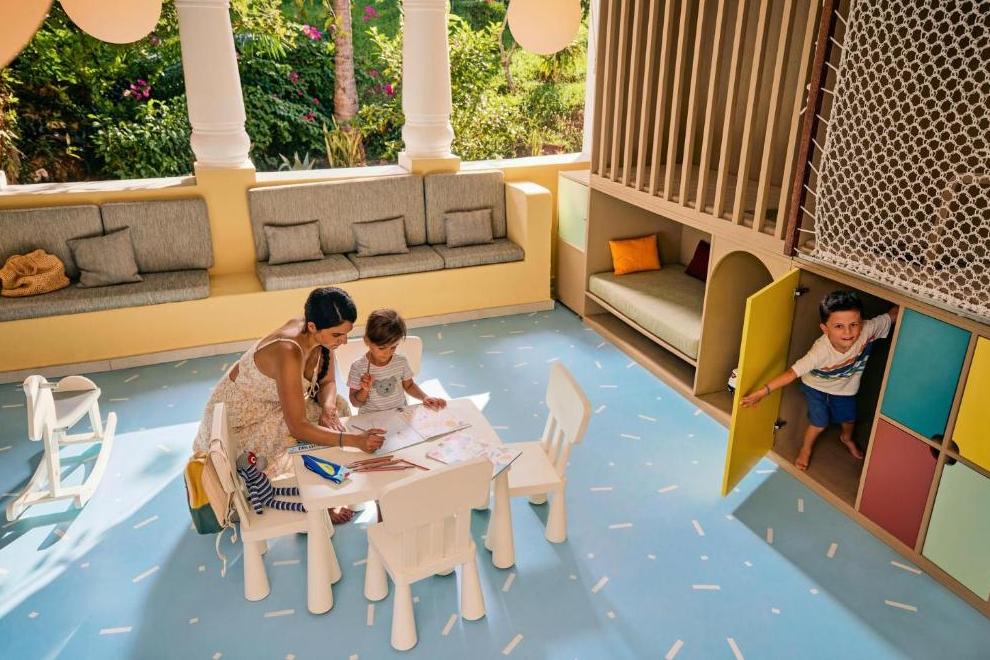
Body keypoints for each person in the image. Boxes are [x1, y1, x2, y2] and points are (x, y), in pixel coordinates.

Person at [192, 287, 384, 524]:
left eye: (346, 334)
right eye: (337, 335)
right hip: (242, 421)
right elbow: (298, 427)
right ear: (312, 327)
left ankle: (338, 486)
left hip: (272, 404)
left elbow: (327, 382)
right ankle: (317, 499)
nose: (344, 341)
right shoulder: (289, 351)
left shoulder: (319, 333)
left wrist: (327, 407)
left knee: (338, 408)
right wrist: (355, 441)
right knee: (304, 435)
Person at [741, 290, 898, 471]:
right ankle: (806, 449)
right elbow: (791, 373)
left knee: (849, 419)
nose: (848, 332)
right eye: (839, 326)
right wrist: (761, 393)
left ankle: (846, 438)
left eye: (854, 324)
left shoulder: (868, 329)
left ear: (861, 322)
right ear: (825, 329)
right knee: (819, 423)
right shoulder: (820, 351)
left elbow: (891, 316)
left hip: (845, 388)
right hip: (815, 387)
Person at [348, 309, 446, 414]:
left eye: (393, 347)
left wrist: (425, 397)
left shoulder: (401, 362)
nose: (387, 353)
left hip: (399, 414)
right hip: (371, 418)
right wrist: (364, 390)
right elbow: (355, 403)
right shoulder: (357, 367)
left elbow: (409, 386)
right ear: (367, 341)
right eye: (382, 348)